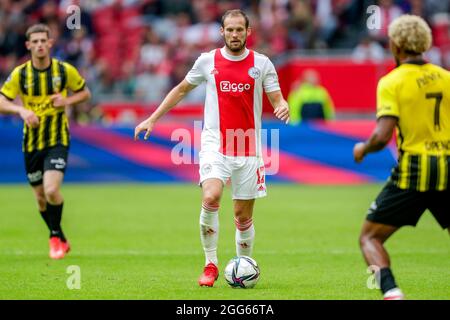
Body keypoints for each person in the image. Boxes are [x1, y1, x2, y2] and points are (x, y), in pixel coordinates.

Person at [134, 9, 289, 287]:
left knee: (243, 216)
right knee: (212, 195)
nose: (234, 34)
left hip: (248, 148)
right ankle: (210, 264)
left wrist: (282, 106)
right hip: (214, 143)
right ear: (222, 32)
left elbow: (276, 98)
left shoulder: (262, 63)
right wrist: (152, 118)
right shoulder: (208, 61)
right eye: (229, 30)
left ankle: (244, 268)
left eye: (239, 29)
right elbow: (181, 89)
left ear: (248, 32)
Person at [353, 15, 449, 300]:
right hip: (448, 166)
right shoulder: (446, 78)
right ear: (425, 42)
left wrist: (362, 149)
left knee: (369, 237)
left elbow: (382, 136)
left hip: (414, 170)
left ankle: (392, 292)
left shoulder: (391, 81)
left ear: (395, 44)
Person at [0, 24, 91, 259]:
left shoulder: (64, 70)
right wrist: (20, 111)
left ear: (50, 43)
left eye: (44, 41)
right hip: (31, 143)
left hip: (57, 139)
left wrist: (66, 101)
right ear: (28, 45)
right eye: (35, 41)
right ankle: (59, 235)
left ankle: (53, 238)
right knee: (40, 198)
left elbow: (85, 93)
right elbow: (2, 101)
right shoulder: (21, 74)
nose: (40, 45)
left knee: (51, 190)